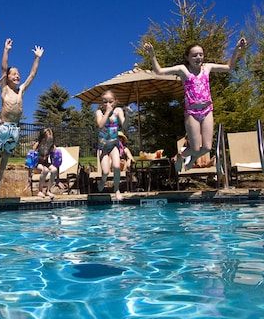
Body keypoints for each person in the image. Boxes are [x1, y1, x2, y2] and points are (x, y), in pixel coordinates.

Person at [144, 38, 247, 171]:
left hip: (207, 110)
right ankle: (180, 156)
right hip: (192, 113)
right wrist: (152, 55)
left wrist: (237, 50)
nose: (198, 57)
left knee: (207, 148)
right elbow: (159, 72)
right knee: (195, 147)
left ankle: (191, 159)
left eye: (201, 55)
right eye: (194, 55)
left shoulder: (207, 67)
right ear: (187, 57)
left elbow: (228, 67)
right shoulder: (183, 70)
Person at [0, 38, 44, 189]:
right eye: (14, 74)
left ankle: (1, 173)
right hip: (3, 127)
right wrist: (6, 50)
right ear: (8, 77)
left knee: (7, 153)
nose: (17, 75)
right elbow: (4, 68)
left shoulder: (21, 90)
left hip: (14, 129)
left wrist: (37, 57)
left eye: (18, 74)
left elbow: (32, 75)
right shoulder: (4, 88)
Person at [96, 90, 125, 201]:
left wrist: (128, 116)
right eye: (105, 102)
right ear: (102, 103)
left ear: (115, 102)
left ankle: (116, 189)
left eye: (110, 102)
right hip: (103, 147)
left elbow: (125, 125)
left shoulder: (118, 111)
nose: (107, 104)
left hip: (114, 146)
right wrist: (107, 112)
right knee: (106, 172)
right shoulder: (99, 112)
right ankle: (103, 180)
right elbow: (100, 125)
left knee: (117, 167)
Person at [33, 128, 58, 198]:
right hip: (37, 164)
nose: (49, 143)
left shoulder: (52, 146)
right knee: (45, 170)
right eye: (47, 140)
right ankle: (40, 191)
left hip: (45, 163)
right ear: (42, 138)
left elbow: (56, 162)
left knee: (54, 170)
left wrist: (58, 180)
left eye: (50, 141)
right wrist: (29, 177)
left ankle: (48, 191)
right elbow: (31, 159)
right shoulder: (37, 145)